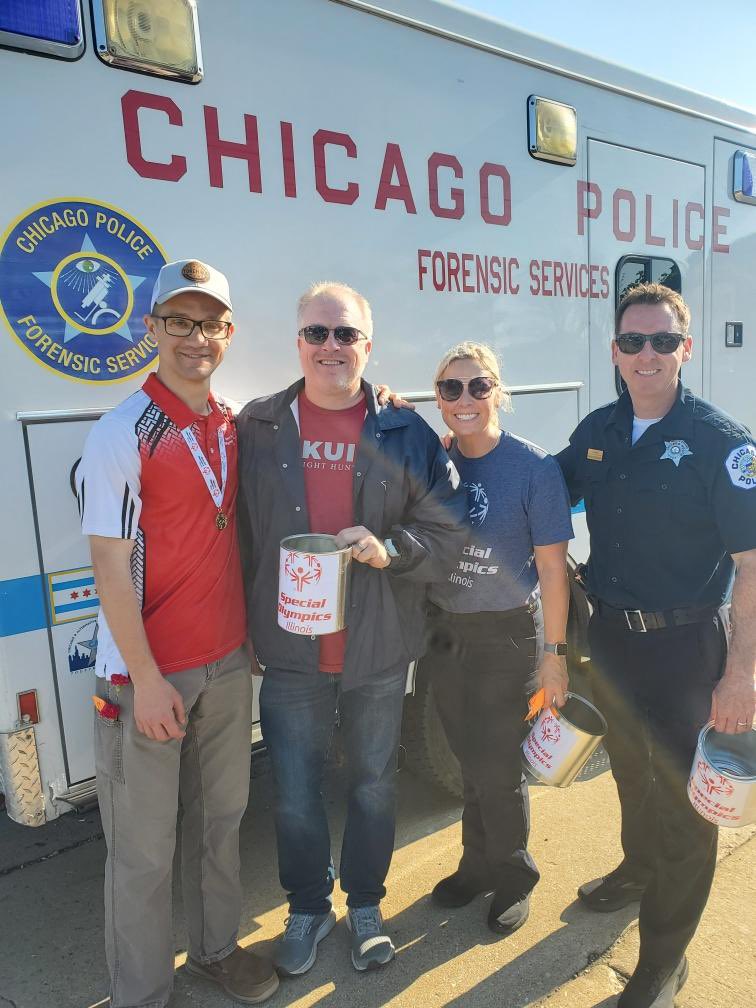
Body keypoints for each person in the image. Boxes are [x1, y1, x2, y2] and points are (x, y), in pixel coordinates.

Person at [236, 281, 467, 976]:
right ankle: (308, 909)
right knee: (297, 792)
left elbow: (446, 528)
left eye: (345, 335)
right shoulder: (259, 425)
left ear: (368, 345)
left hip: (377, 646)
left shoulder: (404, 428)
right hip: (290, 649)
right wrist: (244, 625)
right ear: (298, 342)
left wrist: (391, 549)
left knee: (373, 783)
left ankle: (366, 903)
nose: (330, 347)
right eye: (317, 333)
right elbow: (238, 536)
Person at [76, 260, 278, 1008]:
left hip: (226, 663)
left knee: (219, 825)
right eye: (180, 322)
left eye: (211, 324)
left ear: (229, 333)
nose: (197, 338)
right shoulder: (121, 431)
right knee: (142, 853)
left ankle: (216, 954)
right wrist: (147, 677)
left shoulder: (230, 423)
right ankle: (142, 995)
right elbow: (107, 567)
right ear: (152, 329)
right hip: (147, 677)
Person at [556, 282, 756, 1008]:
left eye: (663, 341)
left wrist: (742, 675)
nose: (647, 354)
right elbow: (544, 487)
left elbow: (752, 568)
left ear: (686, 349)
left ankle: (665, 960)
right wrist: (458, 438)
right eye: (633, 341)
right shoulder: (600, 428)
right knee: (629, 773)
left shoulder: (723, 444)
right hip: (610, 639)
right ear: (614, 351)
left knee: (684, 805)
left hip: (685, 650)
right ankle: (638, 867)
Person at [425, 342, 574, 935]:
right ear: (438, 399)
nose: (465, 400)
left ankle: (513, 875)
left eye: (478, 386)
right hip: (445, 633)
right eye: (451, 389)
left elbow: (555, 572)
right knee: (468, 761)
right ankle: (475, 865)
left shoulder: (533, 468)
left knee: (497, 766)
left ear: (498, 393)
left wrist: (554, 656)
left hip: (506, 635)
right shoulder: (435, 461)